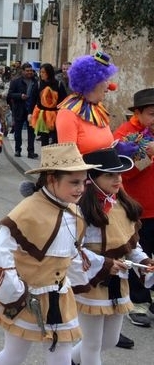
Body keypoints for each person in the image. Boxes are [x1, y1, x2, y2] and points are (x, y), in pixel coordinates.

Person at [0, 142, 101, 364]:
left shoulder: (74, 211)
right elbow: (1, 247)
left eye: (83, 183)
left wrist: (80, 281)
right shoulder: (28, 209)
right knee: (14, 354)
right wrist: (13, 290)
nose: (80, 189)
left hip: (60, 296)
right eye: (73, 183)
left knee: (61, 353)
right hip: (29, 297)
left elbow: (72, 253)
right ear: (51, 179)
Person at [71, 147, 153, 365]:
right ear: (91, 178)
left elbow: (131, 245)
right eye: (110, 175)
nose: (118, 179)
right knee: (92, 344)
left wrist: (144, 262)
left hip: (119, 281)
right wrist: (104, 264)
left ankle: (69, 360)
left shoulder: (123, 205)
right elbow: (71, 249)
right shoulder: (79, 210)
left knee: (110, 340)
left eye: (119, 174)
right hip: (91, 281)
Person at [113, 88, 154, 331]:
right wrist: (148, 156)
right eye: (151, 114)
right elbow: (123, 172)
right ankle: (138, 301)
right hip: (138, 210)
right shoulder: (125, 135)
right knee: (140, 256)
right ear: (137, 113)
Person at [56, 53, 117, 155]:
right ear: (92, 82)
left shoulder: (98, 108)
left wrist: (117, 151)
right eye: (105, 80)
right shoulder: (68, 113)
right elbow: (68, 160)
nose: (110, 86)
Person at [30, 63, 68, 147]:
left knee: (55, 138)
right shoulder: (38, 84)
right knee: (44, 138)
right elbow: (32, 100)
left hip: (56, 114)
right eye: (41, 72)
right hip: (42, 115)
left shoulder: (58, 85)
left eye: (43, 72)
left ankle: (54, 157)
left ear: (49, 73)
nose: (41, 74)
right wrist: (30, 113)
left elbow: (64, 101)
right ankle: (45, 157)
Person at [7, 62, 38, 159]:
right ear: (23, 71)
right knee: (18, 131)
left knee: (31, 132)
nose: (29, 72)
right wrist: (20, 96)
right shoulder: (16, 81)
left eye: (31, 71)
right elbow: (10, 94)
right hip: (19, 109)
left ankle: (31, 151)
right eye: (27, 71)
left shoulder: (35, 81)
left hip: (31, 110)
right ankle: (17, 149)